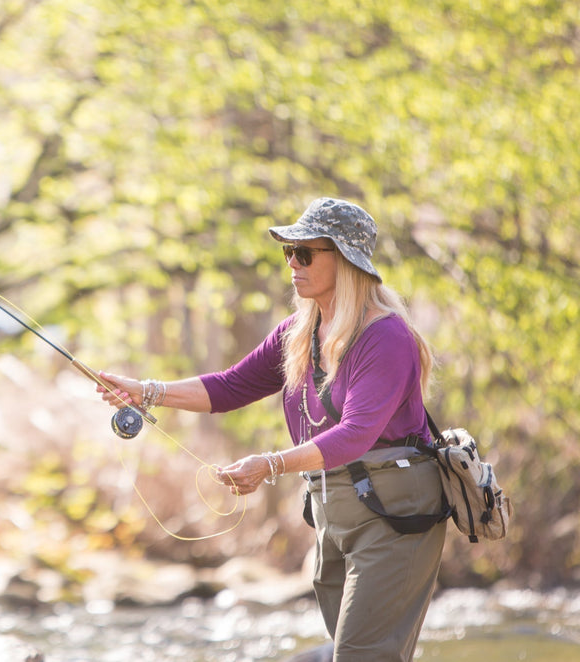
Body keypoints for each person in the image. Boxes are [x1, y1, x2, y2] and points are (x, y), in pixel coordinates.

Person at [97, 197, 447, 662]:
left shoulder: (386, 337)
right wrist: (145, 391)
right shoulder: (297, 333)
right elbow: (229, 387)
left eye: (304, 253)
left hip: (397, 516)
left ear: (345, 261)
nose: (292, 264)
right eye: (288, 252)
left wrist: (270, 465)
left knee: (361, 655)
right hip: (338, 511)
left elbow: (355, 434)